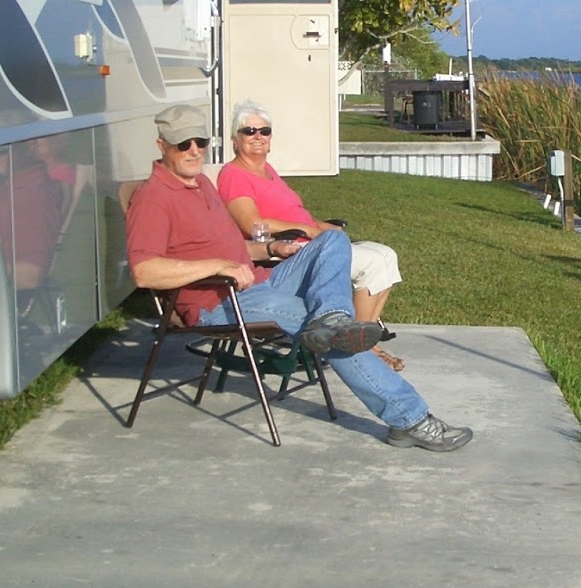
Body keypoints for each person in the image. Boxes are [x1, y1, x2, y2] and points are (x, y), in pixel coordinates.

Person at [124, 104, 472, 452]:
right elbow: (144, 271)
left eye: (200, 141)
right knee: (332, 335)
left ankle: (332, 316)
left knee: (331, 239)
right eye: (183, 144)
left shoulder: (200, 184)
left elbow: (235, 251)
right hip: (216, 303)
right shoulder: (153, 197)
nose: (194, 151)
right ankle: (410, 420)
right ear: (161, 146)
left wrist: (273, 247)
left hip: (257, 281)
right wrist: (219, 266)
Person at [215, 99, 407, 369]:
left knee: (386, 255)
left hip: (313, 243)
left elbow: (295, 212)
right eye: (249, 131)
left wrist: (321, 226)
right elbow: (252, 224)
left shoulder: (267, 171)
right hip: (288, 256)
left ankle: (365, 341)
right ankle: (358, 352)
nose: (258, 137)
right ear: (235, 139)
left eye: (264, 131)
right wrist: (309, 230)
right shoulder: (233, 175)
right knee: (371, 263)